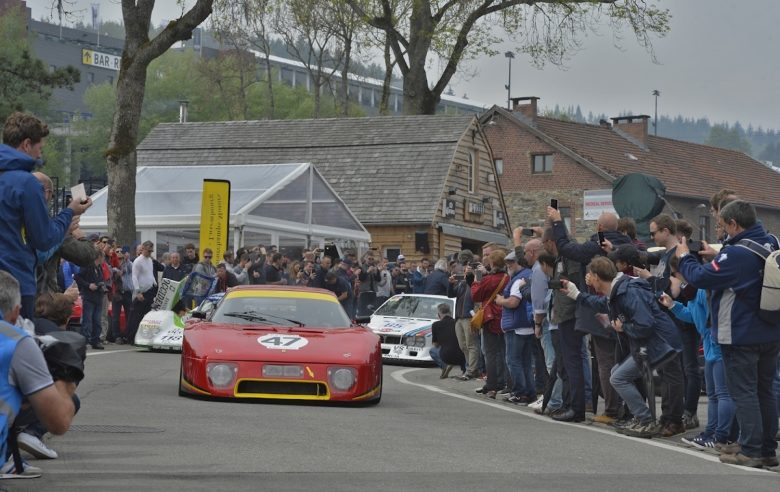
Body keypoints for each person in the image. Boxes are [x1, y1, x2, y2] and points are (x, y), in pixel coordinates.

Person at [677, 200, 780, 468]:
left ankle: (752, 451)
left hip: (741, 335)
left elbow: (700, 278)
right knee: (765, 391)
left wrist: (684, 257)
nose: (720, 232)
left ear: (735, 224)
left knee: (744, 393)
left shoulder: (734, 254)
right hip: (770, 331)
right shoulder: (771, 243)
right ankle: (768, 450)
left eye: (722, 227)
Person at [565, 256, 683, 439]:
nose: (588, 278)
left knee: (619, 377)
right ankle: (642, 417)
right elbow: (602, 304)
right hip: (652, 343)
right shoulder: (618, 290)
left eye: (590, 275)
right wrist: (577, 295)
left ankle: (646, 420)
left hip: (659, 344)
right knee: (616, 372)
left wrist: (623, 328)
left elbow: (646, 324)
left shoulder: (627, 292)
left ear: (596, 277)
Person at [0, 113, 91, 319]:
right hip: (14, 283)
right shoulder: (26, 182)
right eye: (39, 149)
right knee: (15, 345)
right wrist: (70, 212)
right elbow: (44, 239)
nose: (39, 157)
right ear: (26, 144)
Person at [548, 209, 628, 423]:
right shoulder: (627, 246)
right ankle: (623, 409)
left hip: (597, 309)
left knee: (600, 362)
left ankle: (586, 408)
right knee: (623, 360)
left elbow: (565, 247)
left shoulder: (595, 246)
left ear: (599, 228)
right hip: (625, 311)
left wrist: (557, 222)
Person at [0, 272, 77, 478]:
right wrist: (68, 381)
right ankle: (12, 453)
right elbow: (58, 422)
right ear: (17, 313)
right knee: (68, 399)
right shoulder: (16, 341)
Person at [659, 256, 734, 450]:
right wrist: (673, 306)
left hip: (718, 343)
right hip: (711, 343)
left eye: (673, 275)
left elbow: (703, 318)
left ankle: (720, 435)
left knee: (722, 393)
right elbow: (693, 317)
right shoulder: (694, 290)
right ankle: (711, 432)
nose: (672, 279)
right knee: (714, 394)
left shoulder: (700, 289)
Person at [541, 221, 584, 422]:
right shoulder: (561, 255)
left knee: (572, 364)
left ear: (551, 241)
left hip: (571, 314)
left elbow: (575, 283)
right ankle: (569, 405)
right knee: (566, 364)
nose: (544, 247)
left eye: (544, 243)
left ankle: (576, 408)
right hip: (564, 313)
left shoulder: (569, 254)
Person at [494, 252, 535, 405]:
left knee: (514, 361)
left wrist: (499, 301)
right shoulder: (529, 275)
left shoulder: (519, 279)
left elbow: (513, 302)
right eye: (507, 263)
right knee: (525, 362)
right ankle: (529, 393)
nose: (509, 265)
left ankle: (520, 394)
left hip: (516, 326)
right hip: (526, 326)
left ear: (520, 262)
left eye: (512, 262)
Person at [470, 250, 509, 399]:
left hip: (490, 317)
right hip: (505, 317)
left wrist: (476, 278)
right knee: (508, 354)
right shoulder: (508, 278)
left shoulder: (488, 279)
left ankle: (492, 387)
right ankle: (509, 385)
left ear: (492, 263)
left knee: (490, 354)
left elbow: (476, 295)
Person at [448, 250, 478, 381]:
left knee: (471, 345)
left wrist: (470, 277)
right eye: (462, 264)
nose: (464, 267)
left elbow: (477, 292)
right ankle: (469, 368)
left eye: (465, 264)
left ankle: (471, 370)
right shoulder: (462, 280)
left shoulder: (477, 274)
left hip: (469, 314)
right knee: (463, 345)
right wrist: (451, 283)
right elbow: (451, 295)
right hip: (459, 315)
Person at [73, 249, 106, 350]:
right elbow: (77, 277)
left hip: (98, 297)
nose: (104, 258)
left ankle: (95, 340)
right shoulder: (87, 266)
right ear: (98, 256)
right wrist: (88, 285)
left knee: (97, 321)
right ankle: (85, 340)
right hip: (89, 297)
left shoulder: (99, 267)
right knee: (87, 320)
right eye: (103, 256)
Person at [126, 241, 157, 345]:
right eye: (149, 251)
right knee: (136, 315)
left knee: (146, 316)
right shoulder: (138, 261)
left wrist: (154, 283)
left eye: (152, 251)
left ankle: (143, 336)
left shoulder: (149, 260)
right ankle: (131, 336)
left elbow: (150, 273)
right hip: (141, 290)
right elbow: (134, 277)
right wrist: (138, 291)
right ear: (143, 249)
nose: (150, 253)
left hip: (149, 290)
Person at [429, 303, 466, 379]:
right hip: (462, 356)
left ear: (439, 315)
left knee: (432, 350)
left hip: (446, 356)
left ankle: (444, 365)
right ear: (451, 313)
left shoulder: (435, 325)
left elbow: (436, 345)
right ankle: (464, 369)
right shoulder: (457, 322)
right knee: (461, 347)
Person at [112, 248, 133, 345]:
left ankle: (129, 335)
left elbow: (131, 269)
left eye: (121, 251)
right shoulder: (112, 265)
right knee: (116, 316)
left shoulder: (128, 263)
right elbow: (113, 271)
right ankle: (117, 336)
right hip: (117, 293)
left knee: (129, 315)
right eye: (117, 252)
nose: (120, 253)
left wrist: (127, 260)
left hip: (127, 292)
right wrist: (117, 271)